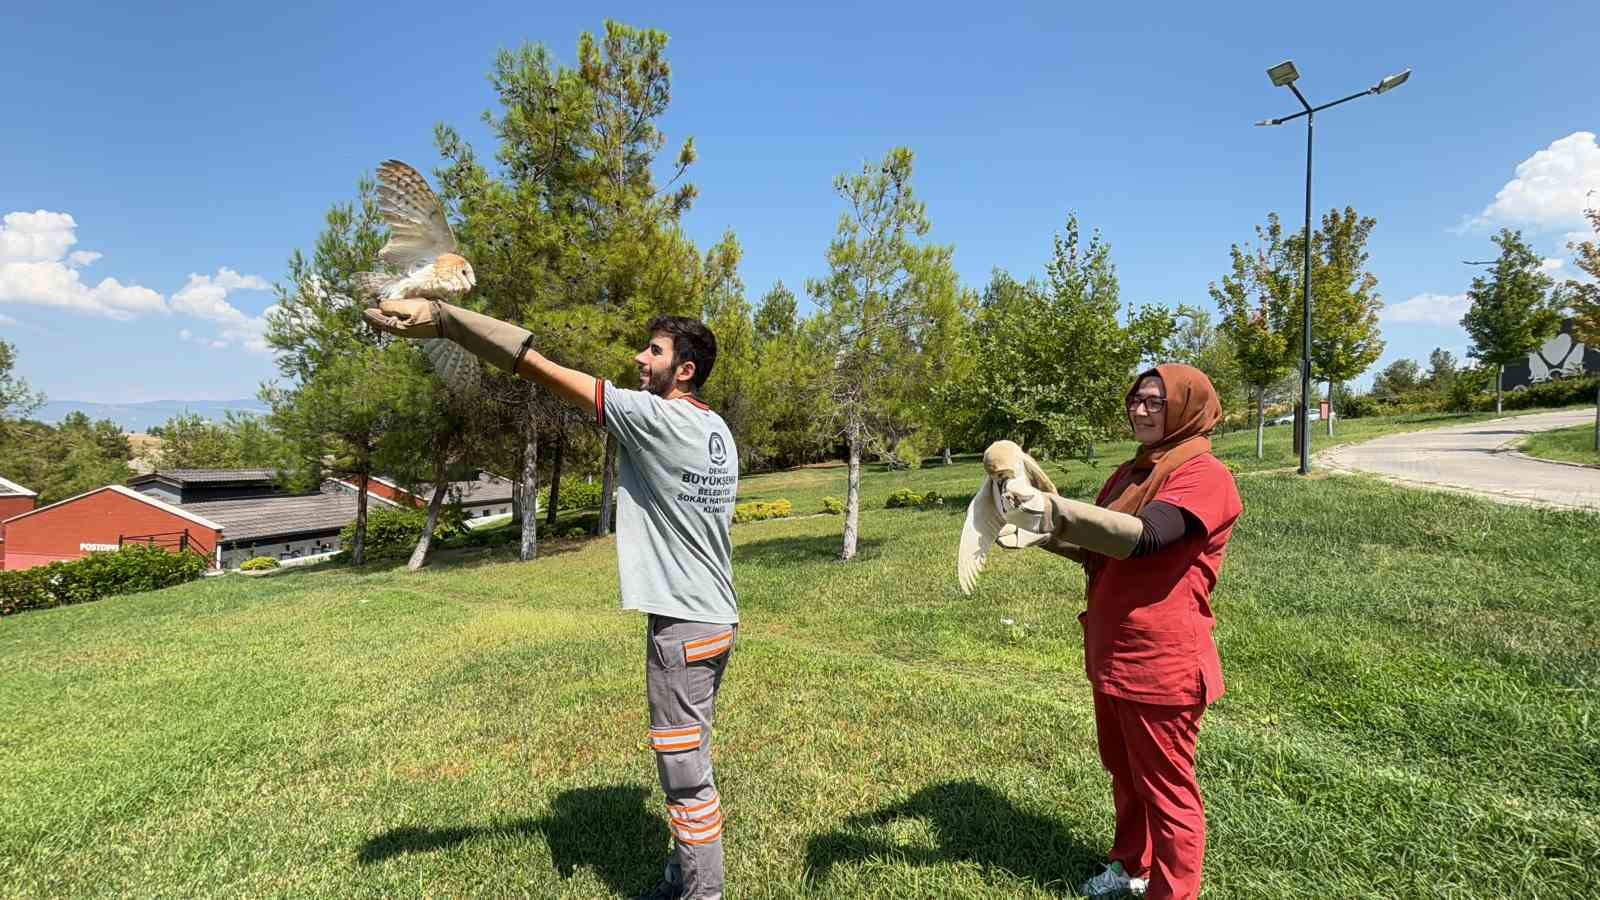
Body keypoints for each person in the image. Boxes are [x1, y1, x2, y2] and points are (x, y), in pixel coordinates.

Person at [363, 298, 739, 900]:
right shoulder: (714, 428)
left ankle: (701, 894)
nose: (640, 360)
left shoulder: (657, 418)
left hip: (684, 630)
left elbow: (537, 367)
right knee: (692, 758)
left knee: (684, 774)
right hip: (715, 619)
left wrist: (447, 320)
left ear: (685, 370)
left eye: (655, 352)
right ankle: (681, 876)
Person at [1000, 364, 1241, 900]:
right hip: (1114, 651)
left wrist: (1056, 510)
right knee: (1126, 774)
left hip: (1162, 661)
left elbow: (1146, 538)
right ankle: (1133, 865)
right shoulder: (1131, 473)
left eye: (1155, 401)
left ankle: (1173, 892)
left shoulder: (1203, 474)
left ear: (1186, 407)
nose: (1140, 409)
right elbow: (1098, 547)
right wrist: (1035, 531)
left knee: (1167, 790)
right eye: (1135, 399)